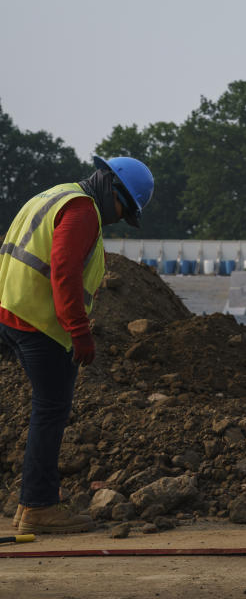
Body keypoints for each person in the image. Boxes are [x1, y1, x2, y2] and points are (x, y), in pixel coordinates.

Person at [0, 155, 154, 534]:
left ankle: (28, 509)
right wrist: (79, 331)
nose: (120, 218)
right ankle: (39, 507)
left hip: (9, 310)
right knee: (50, 411)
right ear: (112, 189)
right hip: (40, 323)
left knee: (46, 411)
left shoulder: (53, 195)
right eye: (124, 209)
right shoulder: (83, 211)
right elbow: (65, 269)